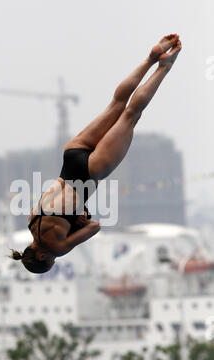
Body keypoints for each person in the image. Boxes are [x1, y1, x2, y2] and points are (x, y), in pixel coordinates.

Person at [12, 34, 182, 273]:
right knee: (116, 103)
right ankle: (150, 59)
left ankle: (164, 67)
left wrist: (81, 220)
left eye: (50, 261)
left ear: (41, 255)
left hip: (88, 173)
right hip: (71, 156)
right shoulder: (30, 221)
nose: (55, 258)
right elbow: (61, 207)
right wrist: (75, 217)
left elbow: (94, 227)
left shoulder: (56, 247)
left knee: (131, 114)